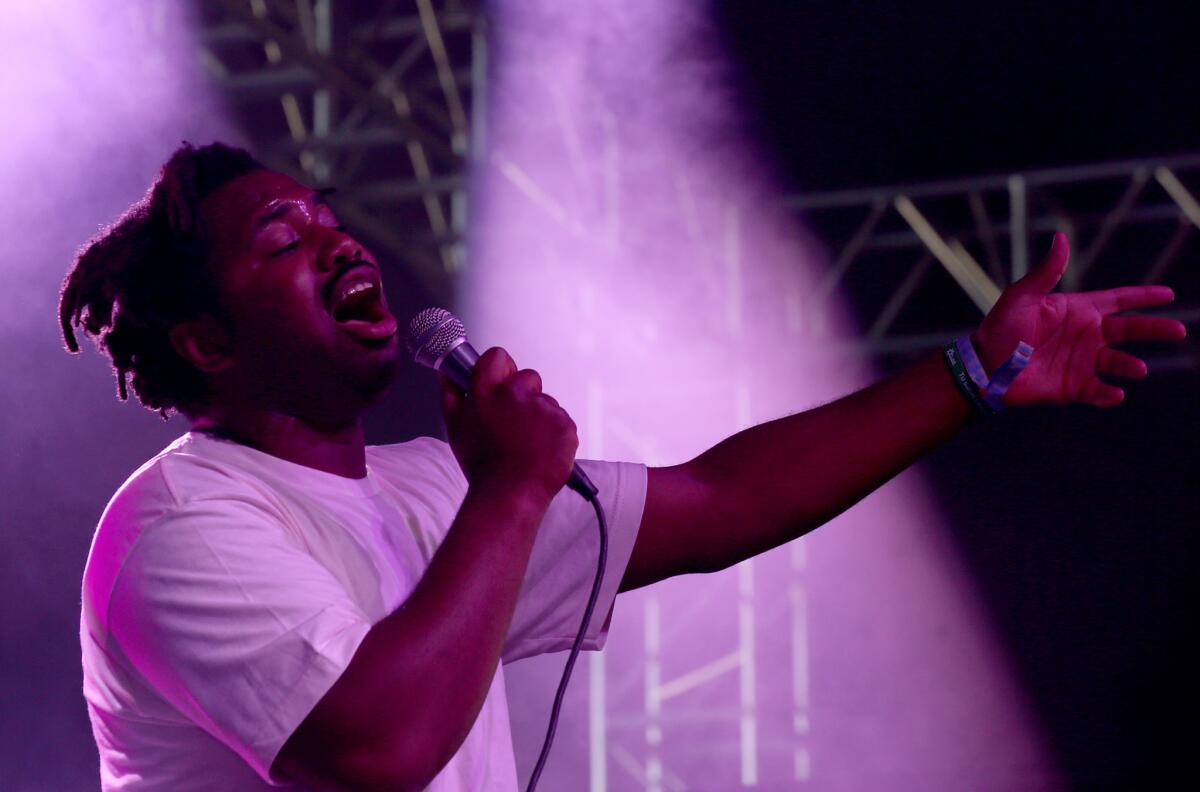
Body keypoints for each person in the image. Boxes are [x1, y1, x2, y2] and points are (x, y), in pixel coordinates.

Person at [60, 142, 1185, 791]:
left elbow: (726, 497)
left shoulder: (428, 488)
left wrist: (972, 373)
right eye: (281, 239)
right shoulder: (178, 526)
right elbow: (372, 751)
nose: (338, 240)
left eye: (328, 217)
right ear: (205, 342)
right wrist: (511, 487)